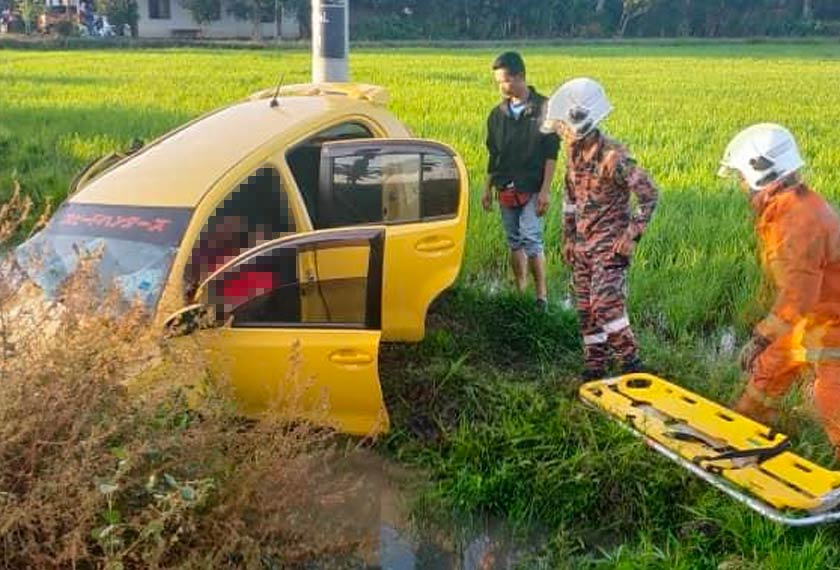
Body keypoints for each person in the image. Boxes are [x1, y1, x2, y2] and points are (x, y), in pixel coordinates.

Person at [718, 123, 840, 457]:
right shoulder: (788, 209)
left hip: (832, 324)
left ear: (760, 173)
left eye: (741, 176)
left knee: (832, 398)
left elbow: (798, 297)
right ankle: (746, 435)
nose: (741, 185)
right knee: (768, 371)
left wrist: (761, 336)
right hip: (812, 320)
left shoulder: (798, 221)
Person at [541, 78, 658, 380]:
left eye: (563, 126)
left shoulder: (613, 156)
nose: (561, 132)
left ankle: (630, 364)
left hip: (609, 245)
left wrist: (632, 235)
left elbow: (649, 194)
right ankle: (595, 366)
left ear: (580, 121)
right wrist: (568, 237)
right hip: (582, 245)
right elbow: (569, 196)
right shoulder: (573, 153)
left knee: (606, 305)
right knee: (586, 310)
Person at [483, 51, 559, 311]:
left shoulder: (544, 109)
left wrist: (546, 191)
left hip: (532, 186)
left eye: (504, 81)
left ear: (520, 77)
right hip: (505, 185)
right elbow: (493, 154)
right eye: (498, 82)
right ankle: (520, 291)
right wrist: (486, 189)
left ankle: (541, 297)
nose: (501, 86)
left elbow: (551, 154)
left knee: (531, 238)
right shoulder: (497, 114)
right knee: (513, 240)